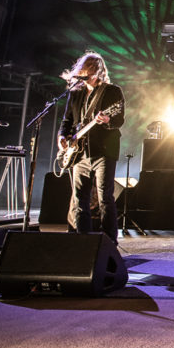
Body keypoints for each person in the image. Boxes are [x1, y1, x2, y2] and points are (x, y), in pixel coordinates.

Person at [57, 52, 124, 244]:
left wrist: (108, 119)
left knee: (105, 198)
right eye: (85, 70)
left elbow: (119, 119)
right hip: (79, 154)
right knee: (80, 199)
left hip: (103, 151)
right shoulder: (75, 93)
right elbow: (67, 120)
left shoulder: (112, 91)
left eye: (92, 70)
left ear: (99, 71)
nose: (88, 73)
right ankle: (82, 241)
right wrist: (62, 137)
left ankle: (110, 242)